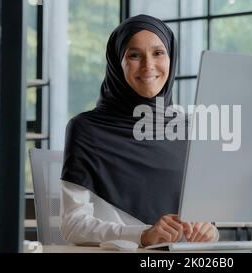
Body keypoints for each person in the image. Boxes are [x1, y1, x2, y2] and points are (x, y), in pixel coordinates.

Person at [59, 14, 219, 247]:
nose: (148, 66)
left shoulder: (189, 128)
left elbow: (207, 220)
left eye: (158, 53)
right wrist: (143, 235)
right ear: (117, 63)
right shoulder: (86, 129)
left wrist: (210, 231)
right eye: (134, 55)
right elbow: (72, 225)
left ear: (171, 58)